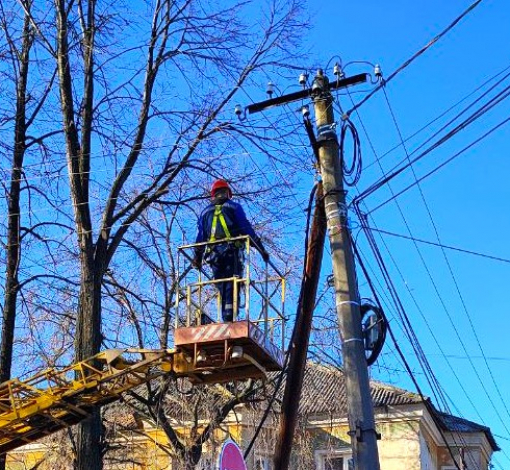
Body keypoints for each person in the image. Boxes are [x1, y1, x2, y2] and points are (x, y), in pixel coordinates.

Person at [193, 179, 269, 322]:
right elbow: (246, 228)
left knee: (222, 284)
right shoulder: (234, 207)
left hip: (214, 256)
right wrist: (260, 248)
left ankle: (227, 316)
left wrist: (197, 257)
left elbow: (200, 237)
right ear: (228, 193)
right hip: (230, 252)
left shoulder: (204, 212)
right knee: (232, 284)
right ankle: (229, 317)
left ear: (213, 195)